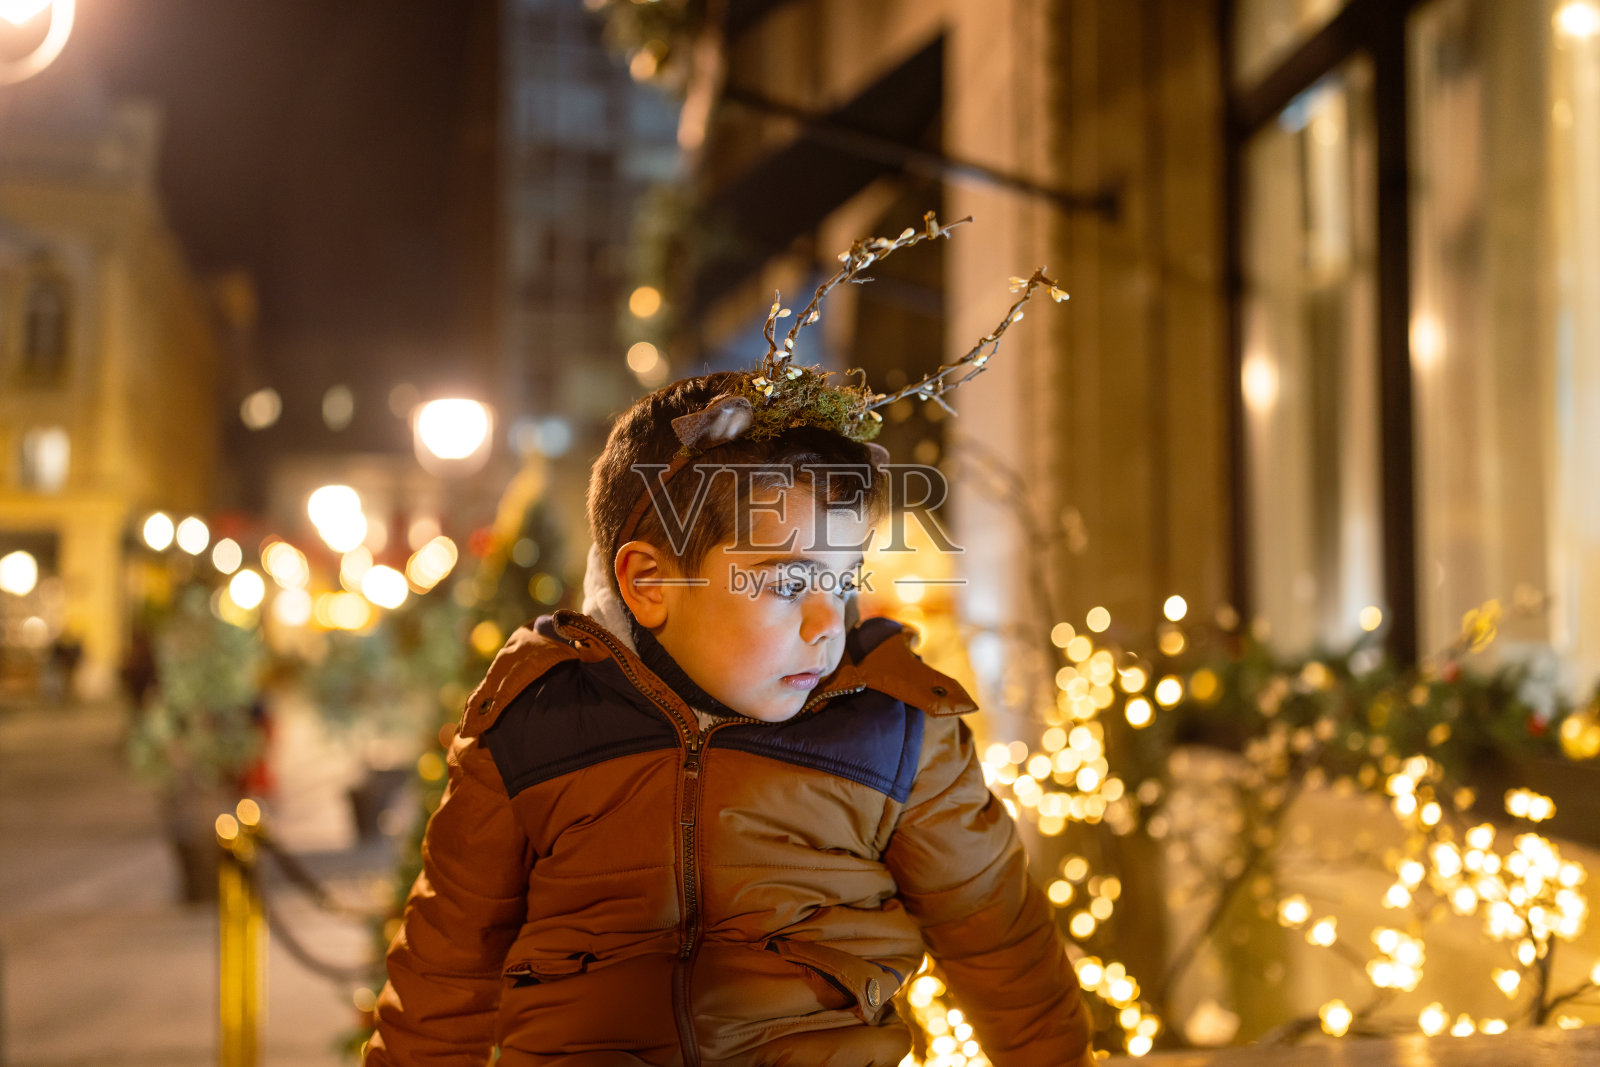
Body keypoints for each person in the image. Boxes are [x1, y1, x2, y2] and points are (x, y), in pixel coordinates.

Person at [364, 371, 1095, 1066]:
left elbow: (1006, 955)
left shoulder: (897, 732)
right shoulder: (535, 721)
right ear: (649, 583)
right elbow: (443, 980)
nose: (827, 622)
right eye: (787, 582)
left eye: (842, 581)